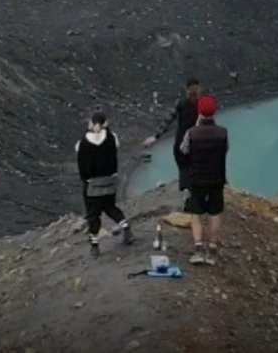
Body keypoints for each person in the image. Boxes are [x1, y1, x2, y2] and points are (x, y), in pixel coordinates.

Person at [178, 94, 228, 265]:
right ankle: (212, 250)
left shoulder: (191, 133)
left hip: (197, 179)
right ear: (214, 112)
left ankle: (198, 249)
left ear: (199, 112)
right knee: (215, 213)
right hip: (217, 179)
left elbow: (183, 150)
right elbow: (226, 149)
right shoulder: (223, 132)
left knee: (196, 213)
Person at [76, 111, 133, 255]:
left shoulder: (83, 142)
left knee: (93, 215)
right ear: (105, 123)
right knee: (110, 207)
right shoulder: (112, 137)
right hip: (110, 181)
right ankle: (126, 228)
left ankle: (95, 245)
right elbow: (115, 147)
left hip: (92, 184)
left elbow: (81, 161)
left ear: (92, 123)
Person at [143, 77, 200, 209]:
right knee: (196, 169)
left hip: (181, 141)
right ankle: (198, 199)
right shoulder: (201, 104)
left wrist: (155, 136)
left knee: (184, 169)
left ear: (186, 88)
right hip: (197, 142)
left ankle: (187, 199)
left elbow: (167, 120)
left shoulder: (180, 103)